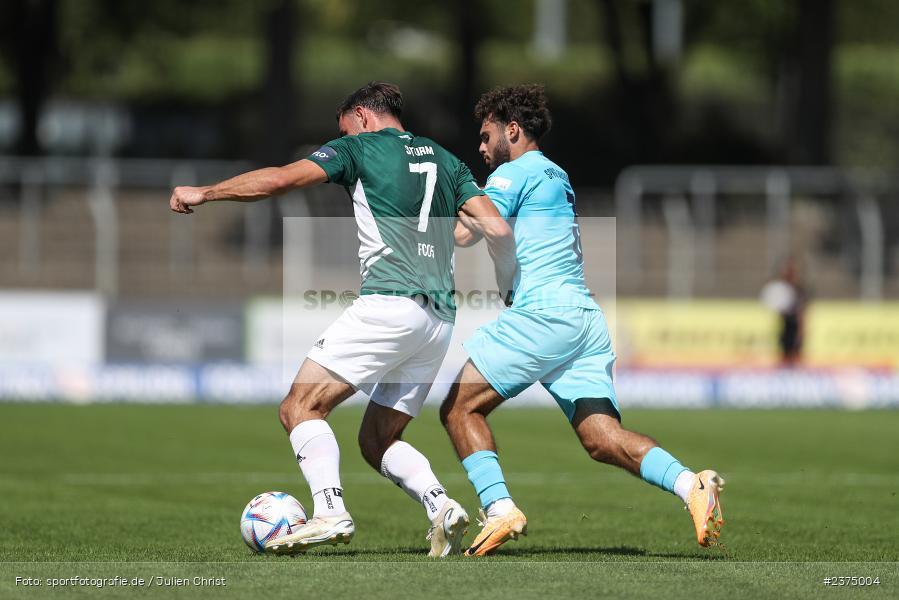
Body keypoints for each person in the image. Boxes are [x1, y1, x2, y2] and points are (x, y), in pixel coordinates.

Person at [170, 82, 516, 557]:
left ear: (361, 116)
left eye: (342, 128)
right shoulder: (445, 158)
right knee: (378, 439)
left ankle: (330, 511)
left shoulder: (357, 147)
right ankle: (441, 505)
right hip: (438, 320)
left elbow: (278, 181)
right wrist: (508, 285)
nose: (340, 136)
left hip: (389, 304)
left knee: (299, 407)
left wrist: (205, 193)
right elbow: (496, 226)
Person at [441, 84, 724, 556]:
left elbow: (463, 233)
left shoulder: (516, 173)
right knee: (601, 438)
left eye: (487, 135)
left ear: (513, 130)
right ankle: (689, 485)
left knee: (459, 407)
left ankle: (499, 508)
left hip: (544, 314)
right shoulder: (554, 172)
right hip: (582, 319)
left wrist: (447, 193)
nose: (481, 146)